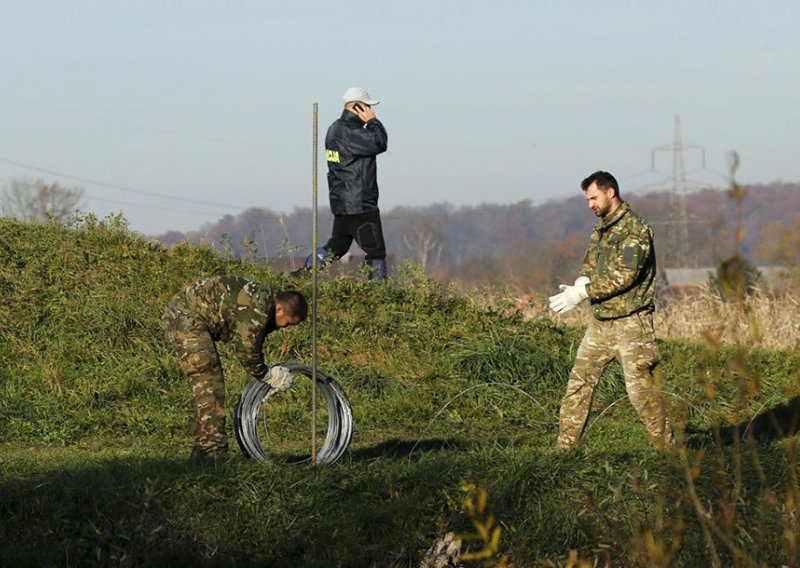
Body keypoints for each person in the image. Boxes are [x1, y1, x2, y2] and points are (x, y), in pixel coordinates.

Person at [549, 171, 673, 450]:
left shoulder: (635, 229)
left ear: (611, 192)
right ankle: (565, 449)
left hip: (632, 324)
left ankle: (667, 449)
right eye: (587, 199)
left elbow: (625, 276)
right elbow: (591, 263)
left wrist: (583, 293)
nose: (590, 204)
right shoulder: (602, 228)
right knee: (578, 385)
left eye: (594, 197)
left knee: (640, 391)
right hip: (601, 323)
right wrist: (581, 281)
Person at [161, 275, 308, 461]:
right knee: (210, 385)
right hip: (186, 319)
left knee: (209, 384)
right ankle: (212, 453)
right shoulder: (260, 306)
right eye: (287, 323)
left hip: (189, 317)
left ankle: (202, 452)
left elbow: (252, 343)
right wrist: (267, 375)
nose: (287, 328)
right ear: (280, 308)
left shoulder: (267, 302)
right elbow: (246, 349)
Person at [297, 86, 389, 279]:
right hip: (360, 204)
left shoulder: (334, 129)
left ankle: (303, 275)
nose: (370, 110)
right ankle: (380, 297)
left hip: (342, 202)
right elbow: (380, 142)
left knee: (336, 248)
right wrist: (373, 121)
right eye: (367, 106)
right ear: (357, 107)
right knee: (376, 253)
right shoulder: (351, 132)